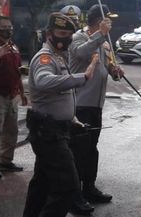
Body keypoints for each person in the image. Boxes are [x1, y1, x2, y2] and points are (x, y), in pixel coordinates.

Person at [23, 13, 100, 217]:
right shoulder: (45, 58)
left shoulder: (60, 57)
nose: (66, 38)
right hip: (48, 133)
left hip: (57, 130)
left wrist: (72, 119)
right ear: (49, 34)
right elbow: (43, 81)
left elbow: (61, 97)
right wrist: (82, 76)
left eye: (69, 34)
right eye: (61, 33)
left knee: (42, 183)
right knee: (67, 187)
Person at [69, 5, 120, 213]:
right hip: (80, 104)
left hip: (96, 105)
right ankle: (74, 195)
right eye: (107, 19)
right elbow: (81, 53)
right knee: (78, 151)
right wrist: (101, 34)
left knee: (91, 149)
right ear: (98, 20)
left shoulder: (105, 41)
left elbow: (109, 66)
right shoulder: (78, 37)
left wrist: (115, 71)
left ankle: (89, 188)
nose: (110, 23)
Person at [0, 16, 26, 179]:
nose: (8, 29)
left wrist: (22, 92)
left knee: (12, 130)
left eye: (10, 26)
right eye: (4, 27)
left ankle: (6, 161)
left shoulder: (13, 46)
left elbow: (17, 70)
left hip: (12, 94)